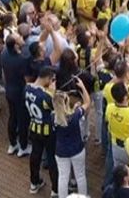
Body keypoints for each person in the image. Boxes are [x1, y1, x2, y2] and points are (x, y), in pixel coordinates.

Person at [26, 65, 60, 193]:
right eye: (52, 79)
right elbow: (56, 107)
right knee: (52, 159)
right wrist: (52, 91)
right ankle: (55, 189)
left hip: (34, 126)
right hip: (48, 130)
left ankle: (34, 182)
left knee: (35, 155)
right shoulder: (45, 96)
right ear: (48, 78)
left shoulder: (27, 88)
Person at [55, 82, 91, 198]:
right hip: (77, 149)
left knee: (63, 177)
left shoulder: (53, 117)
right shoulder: (75, 115)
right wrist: (82, 86)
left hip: (61, 151)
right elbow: (87, 102)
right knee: (80, 176)